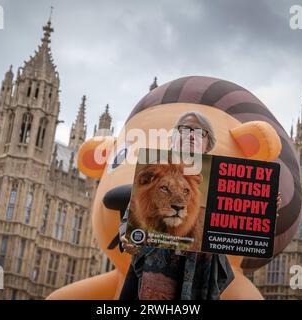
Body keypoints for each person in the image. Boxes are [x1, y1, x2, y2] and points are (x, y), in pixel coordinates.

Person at [119, 111, 283, 300]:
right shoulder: (153, 165)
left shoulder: (223, 177)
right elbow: (132, 218)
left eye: (199, 133)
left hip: (198, 270)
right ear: (175, 137)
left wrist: (266, 208)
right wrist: (126, 237)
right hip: (153, 267)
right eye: (185, 129)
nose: (191, 135)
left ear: (207, 144)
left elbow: (241, 223)